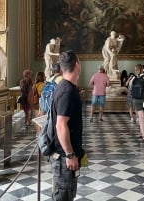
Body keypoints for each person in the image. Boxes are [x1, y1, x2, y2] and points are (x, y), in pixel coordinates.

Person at [50, 50, 85, 201]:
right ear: (77, 65)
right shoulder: (67, 91)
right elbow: (60, 125)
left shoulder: (66, 87)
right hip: (64, 158)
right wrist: (70, 154)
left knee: (67, 195)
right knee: (63, 196)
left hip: (65, 156)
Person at [129, 64, 144, 142]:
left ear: (136, 70)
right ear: (142, 69)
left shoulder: (133, 78)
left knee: (140, 116)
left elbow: (130, 88)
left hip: (136, 100)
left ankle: (142, 134)